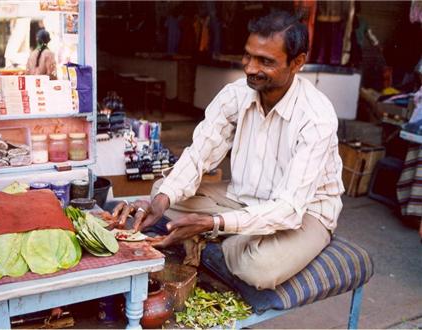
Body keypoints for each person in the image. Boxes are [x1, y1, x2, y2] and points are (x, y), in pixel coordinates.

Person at [113, 10, 344, 290]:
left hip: (304, 212)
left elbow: (288, 209)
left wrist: (213, 223)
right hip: (241, 199)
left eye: (265, 61)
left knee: (260, 269)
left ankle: (223, 237)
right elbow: (200, 154)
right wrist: (160, 203)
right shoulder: (236, 94)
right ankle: (233, 234)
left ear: (297, 63)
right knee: (163, 191)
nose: (249, 68)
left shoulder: (316, 116)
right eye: (248, 56)